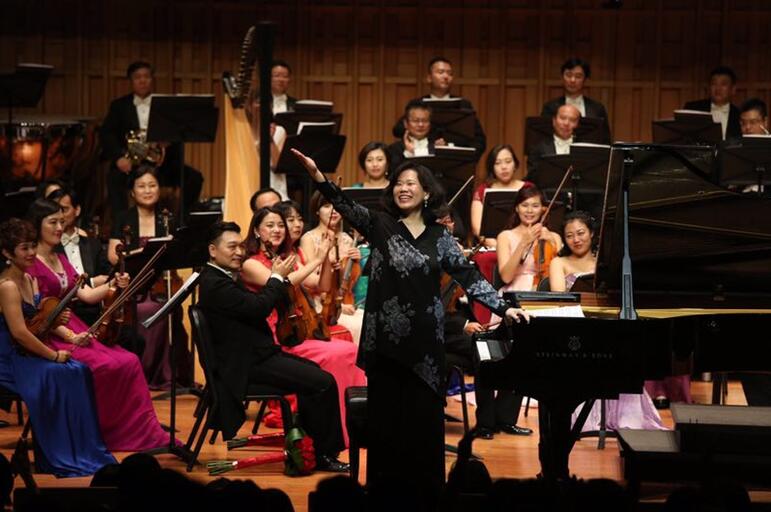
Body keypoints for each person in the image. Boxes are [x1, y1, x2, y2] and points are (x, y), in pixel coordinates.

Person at [292, 148, 529, 503]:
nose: (403, 188)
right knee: (386, 425)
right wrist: (317, 176)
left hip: (425, 346)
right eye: (399, 183)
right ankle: (382, 494)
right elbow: (343, 204)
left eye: (411, 183)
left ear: (427, 192)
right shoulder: (380, 225)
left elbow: (470, 277)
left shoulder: (440, 237)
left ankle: (428, 494)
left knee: (423, 425)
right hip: (386, 344)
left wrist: (505, 309)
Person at [197, 220, 349, 472]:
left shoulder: (218, 277)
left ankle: (310, 448)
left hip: (254, 356)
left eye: (240, 246)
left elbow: (255, 304)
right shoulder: (215, 283)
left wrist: (280, 278)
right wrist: (277, 276)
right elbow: (259, 307)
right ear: (213, 250)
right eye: (232, 247)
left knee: (317, 375)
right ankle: (323, 454)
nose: (239, 252)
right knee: (323, 383)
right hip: (245, 366)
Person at [25, 199, 169, 451]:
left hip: (74, 326)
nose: (59, 227)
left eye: (61, 221)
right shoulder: (30, 262)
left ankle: (133, 431)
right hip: (50, 333)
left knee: (129, 361)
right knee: (104, 366)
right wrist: (70, 337)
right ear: (37, 225)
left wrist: (114, 284)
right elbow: (38, 315)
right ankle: (100, 433)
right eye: (53, 222)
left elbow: (87, 295)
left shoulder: (60, 258)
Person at [0, 218, 115, 477]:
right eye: (24, 248)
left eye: (32, 246)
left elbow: (40, 321)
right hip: (11, 356)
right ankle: (61, 454)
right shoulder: (7, 286)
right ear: (7, 253)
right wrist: (53, 355)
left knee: (80, 371)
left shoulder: (29, 278)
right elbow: (19, 333)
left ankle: (85, 451)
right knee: (57, 374)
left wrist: (70, 335)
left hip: (31, 349)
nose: (31, 253)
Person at [242, 205, 365, 444]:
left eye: (281, 225)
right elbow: (282, 283)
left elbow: (321, 285)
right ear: (256, 231)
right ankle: (333, 432)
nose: (277, 230)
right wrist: (315, 259)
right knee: (337, 354)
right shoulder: (250, 264)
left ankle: (353, 427)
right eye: (270, 225)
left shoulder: (287, 258)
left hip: (297, 334)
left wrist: (326, 258)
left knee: (350, 350)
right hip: (275, 340)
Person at [549, 211, 665, 431]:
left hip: (605, 321)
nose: (576, 239)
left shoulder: (605, 263)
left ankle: (625, 415)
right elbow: (560, 297)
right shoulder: (559, 262)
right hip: (575, 324)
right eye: (570, 235)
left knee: (625, 343)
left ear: (592, 233)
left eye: (581, 233)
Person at [107, 166, 191, 388]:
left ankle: (167, 374)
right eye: (141, 186)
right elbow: (113, 255)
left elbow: (179, 253)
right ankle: (143, 372)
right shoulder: (124, 218)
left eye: (152, 185)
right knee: (149, 310)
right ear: (132, 192)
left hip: (163, 284)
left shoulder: (167, 218)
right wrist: (143, 253)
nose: (147, 190)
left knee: (170, 309)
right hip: (132, 284)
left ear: (159, 189)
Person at [100, 61, 203, 218]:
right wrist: (119, 158)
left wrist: (168, 141)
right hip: (132, 165)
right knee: (114, 179)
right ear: (131, 81)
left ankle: (181, 221)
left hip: (162, 166)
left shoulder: (164, 105)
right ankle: (122, 224)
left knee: (194, 178)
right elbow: (107, 134)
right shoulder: (119, 106)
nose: (142, 81)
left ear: (152, 79)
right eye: (137, 77)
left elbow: (177, 132)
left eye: (146, 77)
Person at [469, 145, 526, 324]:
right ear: (492, 167)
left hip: (524, 244)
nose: (504, 167)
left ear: (515, 164)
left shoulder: (527, 188)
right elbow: (478, 230)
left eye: (508, 161)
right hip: (493, 245)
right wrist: (501, 246)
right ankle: (484, 321)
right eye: (498, 163)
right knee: (485, 259)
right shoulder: (483, 190)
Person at [392, 57, 486, 157]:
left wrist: (467, 156)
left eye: (449, 73)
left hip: (455, 159)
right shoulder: (418, 104)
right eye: (441, 72)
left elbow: (479, 139)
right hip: (422, 157)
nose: (446, 76)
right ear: (429, 78)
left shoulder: (463, 105)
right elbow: (398, 130)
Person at [47, 188, 111, 324]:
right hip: (63, 313)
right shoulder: (50, 248)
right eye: (55, 210)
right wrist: (91, 282)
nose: (60, 215)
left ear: (77, 210)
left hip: (94, 312)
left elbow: (108, 275)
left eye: (64, 209)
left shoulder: (93, 244)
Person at [496, 183, 562, 293]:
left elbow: (562, 273)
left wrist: (552, 242)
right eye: (524, 205)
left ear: (543, 209)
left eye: (535, 206)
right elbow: (506, 277)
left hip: (546, 291)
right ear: (517, 208)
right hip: (516, 292)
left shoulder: (554, 236)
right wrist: (523, 243)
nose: (529, 211)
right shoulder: (505, 236)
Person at [541, 57, 610, 142]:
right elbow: (544, 139)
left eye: (578, 76)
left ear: (585, 80)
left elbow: (605, 140)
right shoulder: (550, 107)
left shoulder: (597, 108)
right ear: (562, 77)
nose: (572, 80)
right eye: (568, 75)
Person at [245, 90, 287, 198]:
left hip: (274, 187)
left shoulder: (279, 131)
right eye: (258, 102)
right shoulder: (242, 133)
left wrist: (270, 140)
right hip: (248, 184)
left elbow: (277, 167)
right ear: (249, 106)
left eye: (267, 103)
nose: (262, 106)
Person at [683, 66, 741, 141]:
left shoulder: (739, 114)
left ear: (733, 89)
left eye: (723, 84)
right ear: (709, 87)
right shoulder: (692, 108)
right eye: (714, 84)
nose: (718, 88)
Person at [387, 100, 447, 171]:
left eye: (425, 121)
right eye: (415, 121)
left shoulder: (438, 147)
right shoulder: (394, 149)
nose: (420, 125)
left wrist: (441, 151)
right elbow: (394, 173)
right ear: (406, 123)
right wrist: (409, 153)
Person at [527, 104, 581, 179]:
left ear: (577, 124)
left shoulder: (583, 147)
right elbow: (532, 176)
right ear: (554, 121)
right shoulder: (538, 148)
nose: (566, 123)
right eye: (563, 118)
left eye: (572, 120)